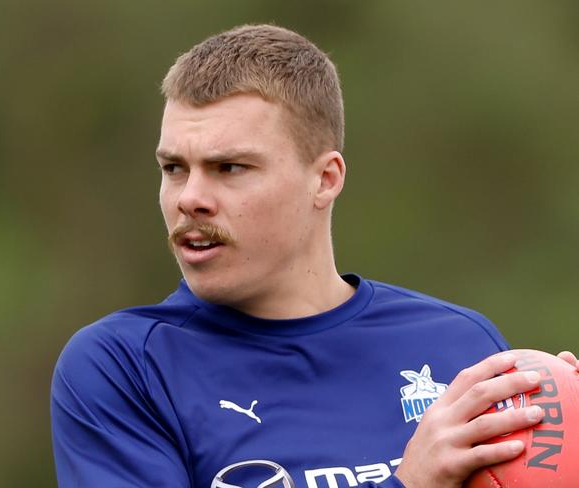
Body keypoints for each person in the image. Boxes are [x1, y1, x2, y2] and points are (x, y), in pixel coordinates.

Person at [50, 24, 578, 488]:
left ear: (325, 179)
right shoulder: (122, 369)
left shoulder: (461, 347)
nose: (190, 197)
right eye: (174, 168)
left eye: (229, 167)